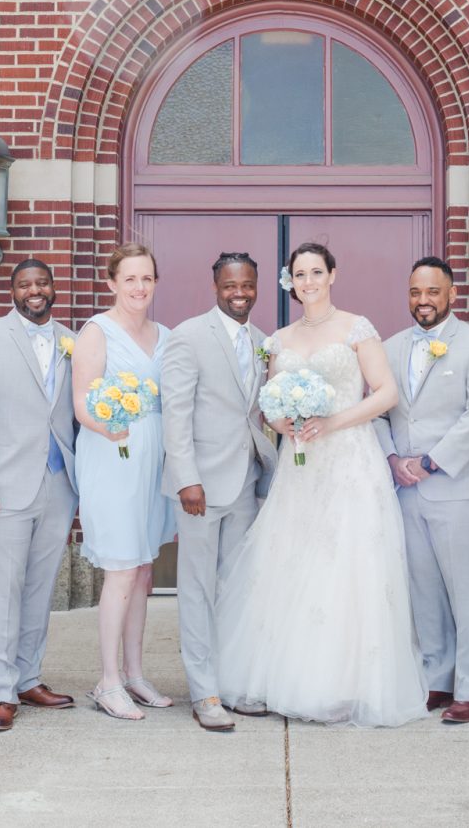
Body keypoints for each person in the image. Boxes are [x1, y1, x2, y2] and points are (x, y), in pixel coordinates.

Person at [216, 242, 428, 727]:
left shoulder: (357, 328)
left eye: (317, 271)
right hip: (301, 464)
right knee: (292, 562)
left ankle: (343, 683)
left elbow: (386, 393)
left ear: (333, 274)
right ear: (291, 281)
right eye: (300, 273)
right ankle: (282, 677)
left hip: (350, 461)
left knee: (346, 566)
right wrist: (284, 422)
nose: (309, 281)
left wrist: (332, 422)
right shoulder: (280, 338)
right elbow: (268, 403)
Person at [376, 257, 469, 724]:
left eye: (433, 292)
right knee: (424, 589)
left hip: (459, 486)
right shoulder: (389, 348)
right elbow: (376, 412)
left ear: (451, 295)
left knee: (465, 590)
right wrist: (393, 459)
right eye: (415, 292)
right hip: (405, 487)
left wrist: (431, 463)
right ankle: (437, 678)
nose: (423, 301)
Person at [0, 258, 80, 733]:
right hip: (3, 485)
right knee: (2, 588)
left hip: (57, 482)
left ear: (53, 288)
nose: (35, 290)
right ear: (13, 291)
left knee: (39, 586)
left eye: (42, 283)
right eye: (25, 284)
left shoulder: (74, 340)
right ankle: (2, 690)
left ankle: (29, 676)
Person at [161, 251, 278, 732]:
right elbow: (176, 413)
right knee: (196, 589)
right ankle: (204, 691)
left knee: (236, 590)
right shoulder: (188, 336)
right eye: (231, 285)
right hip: (201, 487)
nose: (240, 293)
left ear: (257, 286)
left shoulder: (261, 341)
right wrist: (186, 477)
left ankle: (233, 684)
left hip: (246, 481)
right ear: (215, 287)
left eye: (248, 285)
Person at [72, 243, 177, 720]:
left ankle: (135, 675)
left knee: (143, 570)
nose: (139, 287)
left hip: (154, 457)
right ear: (111, 282)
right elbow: (81, 402)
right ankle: (107, 679)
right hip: (113, 451)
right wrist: (105, 425)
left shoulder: (167, 335)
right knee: (119, 569)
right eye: (130, 279)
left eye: (147, 279)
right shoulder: (97, 332)